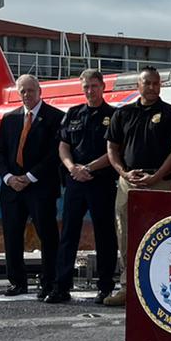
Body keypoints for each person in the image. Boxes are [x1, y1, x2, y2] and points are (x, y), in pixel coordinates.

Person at [103, 67, 171, 306]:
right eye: (147, 83)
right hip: (128, 183)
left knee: (161, 236)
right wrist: (124, 173)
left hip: (159, 182)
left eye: (156, 83)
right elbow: (112, 149)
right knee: (125, 235)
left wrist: (157, 175)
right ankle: (127, 288)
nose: (152, 87)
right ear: (138, 85)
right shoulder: (123, 113)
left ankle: (157, 289)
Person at [0, 74, 65, 298]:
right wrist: (8, 178)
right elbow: (1, 151)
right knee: (12, 236)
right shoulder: (10, 119)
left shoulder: (56, 117)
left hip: (40, 187)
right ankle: (17, 282)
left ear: (39, 91)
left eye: (30, 90)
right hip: (12, 188)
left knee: (48, 236)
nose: (26, 95)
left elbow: (55, 153)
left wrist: (30, 176)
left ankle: (49, 282)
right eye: (22, 91)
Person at [52, 68, 118, 305]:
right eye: (86, 87)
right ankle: (61, 286)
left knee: (105, 236)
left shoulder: (114, 115)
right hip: (75, 182)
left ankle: (105, 286)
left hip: (100, 182)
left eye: (94, 86)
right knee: (68, 234)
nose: (90, 91)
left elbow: (114, 151)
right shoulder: (73, 113)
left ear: (103, 87)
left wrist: (89, 168)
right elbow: (63, 145)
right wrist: (72, 168)